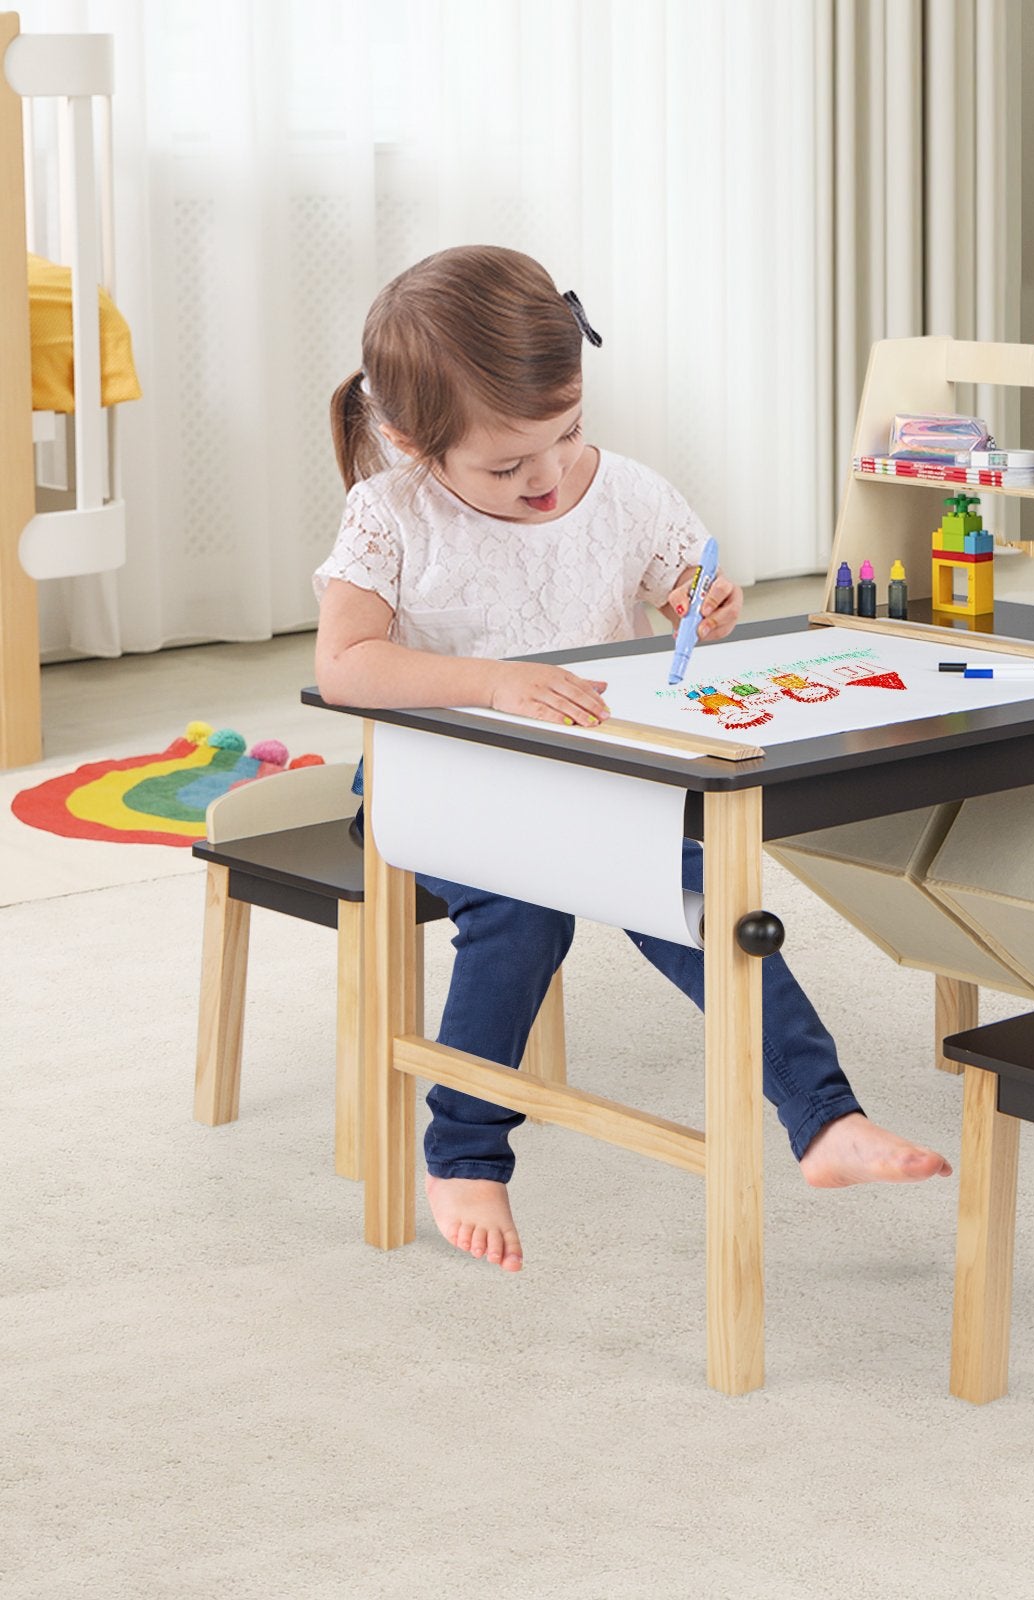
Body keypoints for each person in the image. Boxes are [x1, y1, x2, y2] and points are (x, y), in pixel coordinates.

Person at [314, 246, 950, 1274]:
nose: (547, 475)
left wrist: (707, 602)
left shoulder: (628, 492)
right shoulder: (390, 515)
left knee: (709, 904)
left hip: (591, 780)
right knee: (522, 916)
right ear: (408, 440)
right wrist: (491, 682)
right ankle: (464, 1149)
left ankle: (824, 1118)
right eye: (505, 464)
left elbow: (689, 584)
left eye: (564, 435)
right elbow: (345, 665)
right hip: (442, 780)